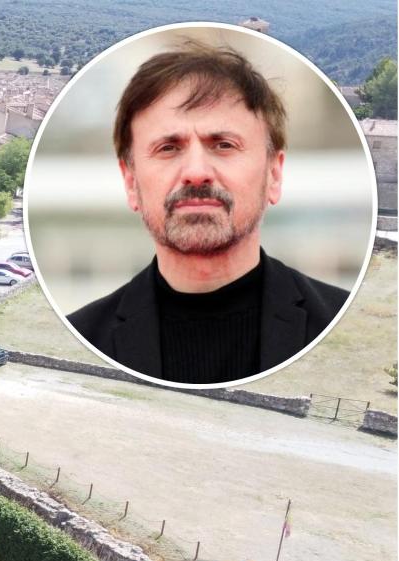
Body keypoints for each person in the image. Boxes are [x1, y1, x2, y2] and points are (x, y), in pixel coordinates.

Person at [66, 41, 349, 385]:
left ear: (274, 175)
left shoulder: (336, 320)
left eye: (224, 145)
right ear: (131, 182)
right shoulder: (83, 334)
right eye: (168, 148)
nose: (196, 172)